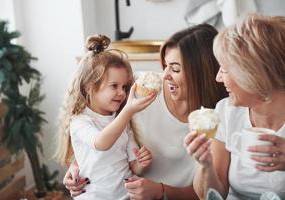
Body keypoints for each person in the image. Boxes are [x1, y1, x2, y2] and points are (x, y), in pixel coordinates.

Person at [63, 24, 228, 200]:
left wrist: (161, 191)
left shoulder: (219, 116)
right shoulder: (142, 88)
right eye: (165, 65)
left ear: (201, 73)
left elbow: (214, 194)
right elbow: (99, 121)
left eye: (175, 69)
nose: (165, 75)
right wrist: (78, 165)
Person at [184, 14, 285, 200]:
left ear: (253, 74)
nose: (218, 78)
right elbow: (211, 195)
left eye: (224, 69)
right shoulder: (226, 111)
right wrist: (205, 165)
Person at [55, 34, 157, 200]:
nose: (122, 93)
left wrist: (142, 162)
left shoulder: (122, 121)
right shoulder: (80, 122)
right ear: (89, 87)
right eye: (114, 86)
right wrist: (127, 112)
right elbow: (101, 143)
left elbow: (134, 166)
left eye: (124, 87)